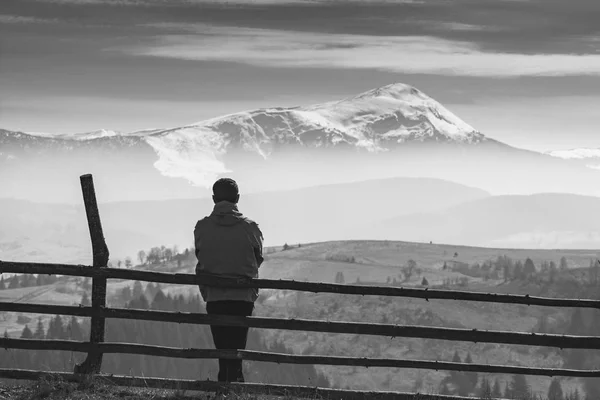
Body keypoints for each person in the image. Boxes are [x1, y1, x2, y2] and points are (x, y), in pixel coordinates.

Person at [194, 178, 264, 383]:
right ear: (238, 198)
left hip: (214, 296)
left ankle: (225, 386)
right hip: (242, 297)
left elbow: (201, 255)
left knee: (222, 348)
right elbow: (257, 258)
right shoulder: (250, 228)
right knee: (237, 347)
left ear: (214, 198)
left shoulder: (202, 227)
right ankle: (235, 387)